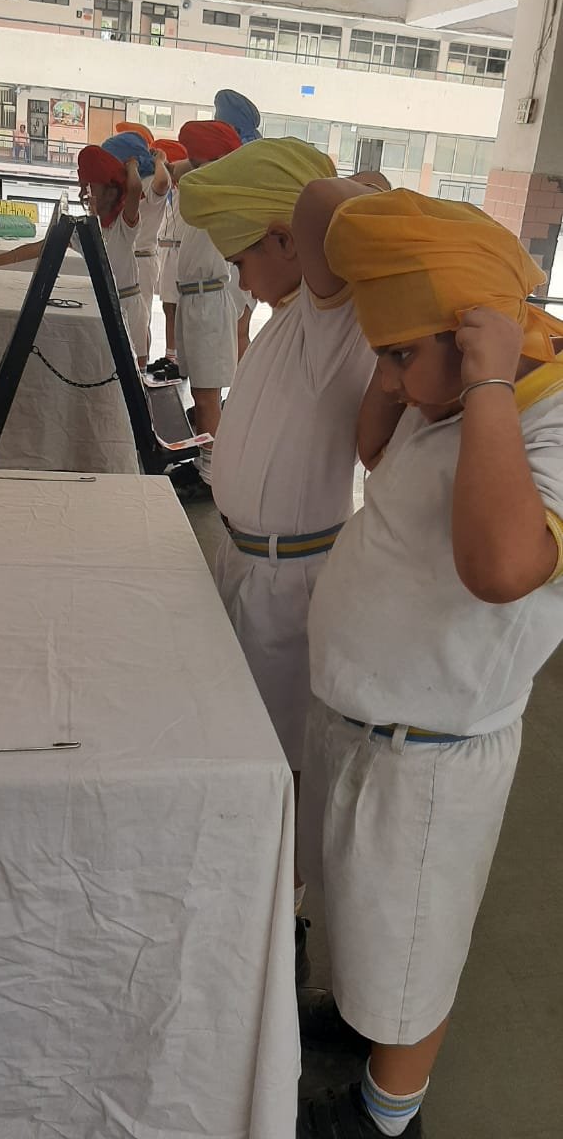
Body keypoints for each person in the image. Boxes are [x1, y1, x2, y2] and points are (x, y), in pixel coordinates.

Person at [289, 185, 563, 1138]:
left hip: (430, 756)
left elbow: (503, 567)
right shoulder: (436, 398)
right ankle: (364, 1020)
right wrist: (406, 373)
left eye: (402, 354)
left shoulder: (540, 416)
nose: (392, 378)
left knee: (412, 942)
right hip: (362, 723)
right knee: (363, 913)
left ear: (478, 338)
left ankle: (384, 1115)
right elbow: (374, 450)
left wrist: (485, 389)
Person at [179, 138, 382, 976]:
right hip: (245, 564)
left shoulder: (335, 319)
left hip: (290, 581)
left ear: (287, 240)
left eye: (243, 259)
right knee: (244, 738)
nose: (240, 279)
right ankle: (252, 886)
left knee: (284, 757)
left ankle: (279, 918)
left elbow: (347, 196)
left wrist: (306, 204)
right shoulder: (289, 316)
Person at [168, 119, 242, 503]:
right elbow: (177, 170)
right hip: (194, 299)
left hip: (209, 301)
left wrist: (213, 161)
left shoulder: (222, 189)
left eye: (198, 159)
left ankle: (211, 476)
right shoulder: (204, 185)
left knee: (208, 395)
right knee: (200, 391)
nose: (191, 165)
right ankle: (204, 460)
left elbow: (183, 172)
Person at [77, 144, 148, 369]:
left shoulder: (123, 226)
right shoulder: (86, 228)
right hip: (102, 305)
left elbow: (135, 188)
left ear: (110, 192)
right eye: (82, 188)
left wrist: (132, 166)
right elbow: (43, 247)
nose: (83, 194)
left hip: (129, 305)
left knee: (136, 372)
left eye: (89, 187)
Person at [102, 128, 170, 362]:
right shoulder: (125, 185)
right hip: (128, 258)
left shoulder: (149, 182)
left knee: (141, 321)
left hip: (142, 259)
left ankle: (141, 366)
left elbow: (164, 182)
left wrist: (160, 160)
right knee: (130, 320)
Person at [214, 88, 262, 358]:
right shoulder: (253, 154)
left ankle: (242, 384)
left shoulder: (239, 158)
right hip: (245, 256)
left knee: (237, 330)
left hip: (241, 256)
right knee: (237, 329)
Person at [146, 138, 191, 381]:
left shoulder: (187, 189)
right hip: (166, 250)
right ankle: (170, 354)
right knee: (167, 306)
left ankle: (179, 359)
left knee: (178, 307)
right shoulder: (167, 191)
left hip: (180, 250)